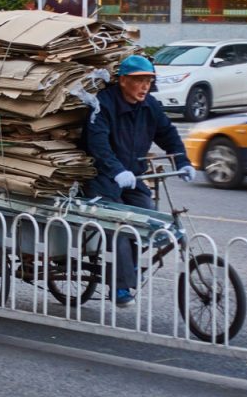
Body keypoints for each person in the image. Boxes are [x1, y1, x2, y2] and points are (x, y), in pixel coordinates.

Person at [80, 55, 196, 307]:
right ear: (123, 81)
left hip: (132, 177)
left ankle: (127, 267)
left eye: (148, 80)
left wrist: (183, 161)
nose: (145, 86)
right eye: (139, 81)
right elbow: (98, 144)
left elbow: (168, 134)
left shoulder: (150, 105)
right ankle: (120, 287)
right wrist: (115, 170)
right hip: (102, 178)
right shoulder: (103, 105)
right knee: (120, 226)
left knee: (148, 217)